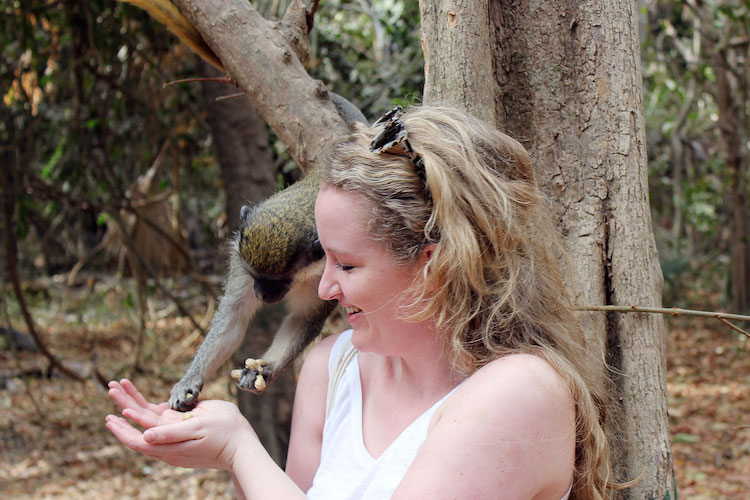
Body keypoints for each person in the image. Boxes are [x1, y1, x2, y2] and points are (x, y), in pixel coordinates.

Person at [106, 105, 613, 499]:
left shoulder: (516, 391)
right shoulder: (332, 367)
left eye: (346, 265)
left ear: (435, 264)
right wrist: (224, 446)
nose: (324, 290)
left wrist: (239, 449)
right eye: (323, 261)